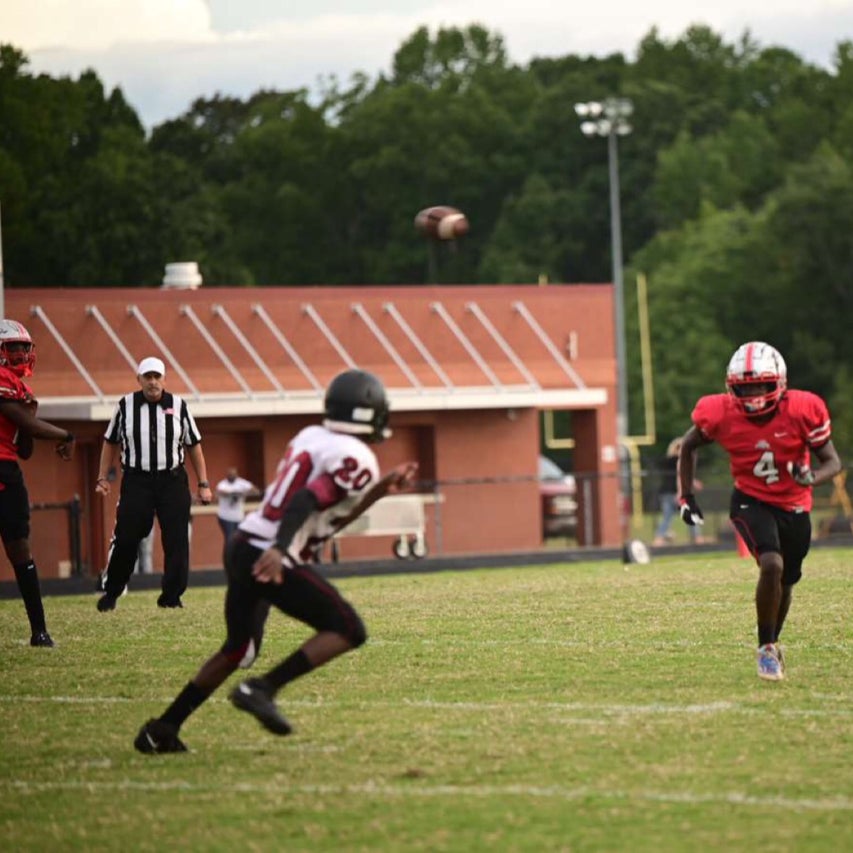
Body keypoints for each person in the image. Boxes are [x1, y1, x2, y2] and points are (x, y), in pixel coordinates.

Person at [134, 368, 417, 753]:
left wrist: (380, 490)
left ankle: (162, 729)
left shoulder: (311, 436)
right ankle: (263, 688)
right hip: (270, 552)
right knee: (349, 629)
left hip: (244, 544)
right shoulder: (356, 456)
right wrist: (281, 549)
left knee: (238, 649)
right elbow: (305, 501)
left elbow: (328, 518)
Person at [678, 341, 841, 682]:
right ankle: (765, 647)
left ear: (779, 383)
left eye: (760, 386)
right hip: (750, 499)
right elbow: (688, 445)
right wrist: (687, 496)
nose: (753, 395)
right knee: (771, 564)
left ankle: (773, 641)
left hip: (795, 503)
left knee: (786, 580)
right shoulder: (718, 412)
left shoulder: (802, 409)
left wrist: (811, 477)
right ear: (731, 387)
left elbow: (832, 461)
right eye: (745, 388)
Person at [95, 356, 212, 611]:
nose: (152, 382)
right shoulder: (125, 406)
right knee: (126, 538)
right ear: (139, 380)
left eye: (157, 377)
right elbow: (110, 441)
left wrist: (203, 483)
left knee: (177, 540)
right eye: (147, 377)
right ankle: (112, 591)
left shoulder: (179, 406)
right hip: (137, 481)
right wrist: (102, 477)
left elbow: (194, 445)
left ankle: (171, 597)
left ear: (164, 380)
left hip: (172, 480)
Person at [0, 319, 76, 646]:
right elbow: (24, 423)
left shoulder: (21, 389)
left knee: (20, 548)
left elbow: (25, 449)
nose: (20, 353)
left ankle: (39, 631)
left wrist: (30, 417)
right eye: (12, 347)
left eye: (23, 347)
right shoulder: (3, 381)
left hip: (9, 470)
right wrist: (65, 435)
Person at [652, 437, 702, 547]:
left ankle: (659, 538)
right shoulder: (682, 461)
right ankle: (697, 538)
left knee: (667, 517)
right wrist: (680, 492)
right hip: (676, 492)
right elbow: (681, 476)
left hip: (665, 492)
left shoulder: (667, 461)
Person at [215, 467, 260, 551]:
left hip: (239, 517)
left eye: (233, 475)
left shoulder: (241, 483)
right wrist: (234, 493)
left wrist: (245, 492)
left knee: (239, 540)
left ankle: (235, 557)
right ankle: (228, 557)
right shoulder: (223, 484)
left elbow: (256, 491)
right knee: (230, 539)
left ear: (237, 475)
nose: (231, 476)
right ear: (227, 476)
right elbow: (220, 492)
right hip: (225, 517)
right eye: (230, 475)